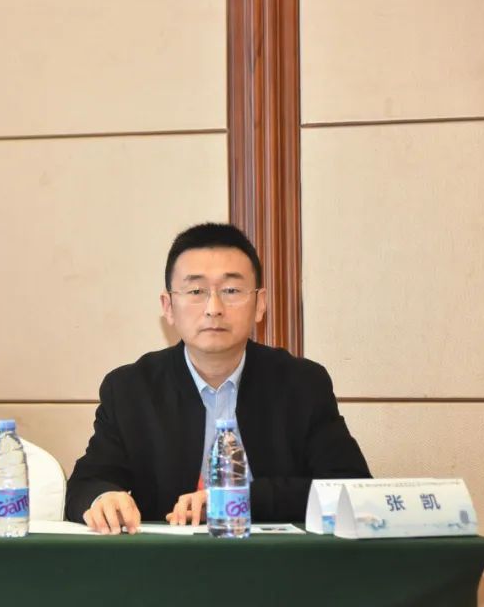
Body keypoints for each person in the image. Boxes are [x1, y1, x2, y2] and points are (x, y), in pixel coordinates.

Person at [66, 223, 370, 533]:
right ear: (168, 307)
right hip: (167, 561)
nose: (214, 308)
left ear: (260, 304)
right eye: (196, 291)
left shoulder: (302, 385)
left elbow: (351, 490)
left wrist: (239, 500)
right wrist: (103, 499)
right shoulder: (130, 390)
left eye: (231, 291)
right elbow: (85, 485)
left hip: (273, 559)